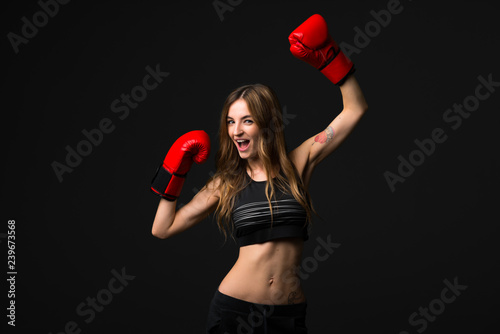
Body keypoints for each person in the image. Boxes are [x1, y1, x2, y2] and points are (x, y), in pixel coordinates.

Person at [150, 14, 368, 333]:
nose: (236, 130)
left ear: (266, 125)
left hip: (288, 314)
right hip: (234, 311)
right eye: (230, 121)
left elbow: (355, 109)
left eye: (247, 121)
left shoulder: (301, 161)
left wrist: (328, 56)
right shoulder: (226, 183)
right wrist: (173, 172)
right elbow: (162, 228)